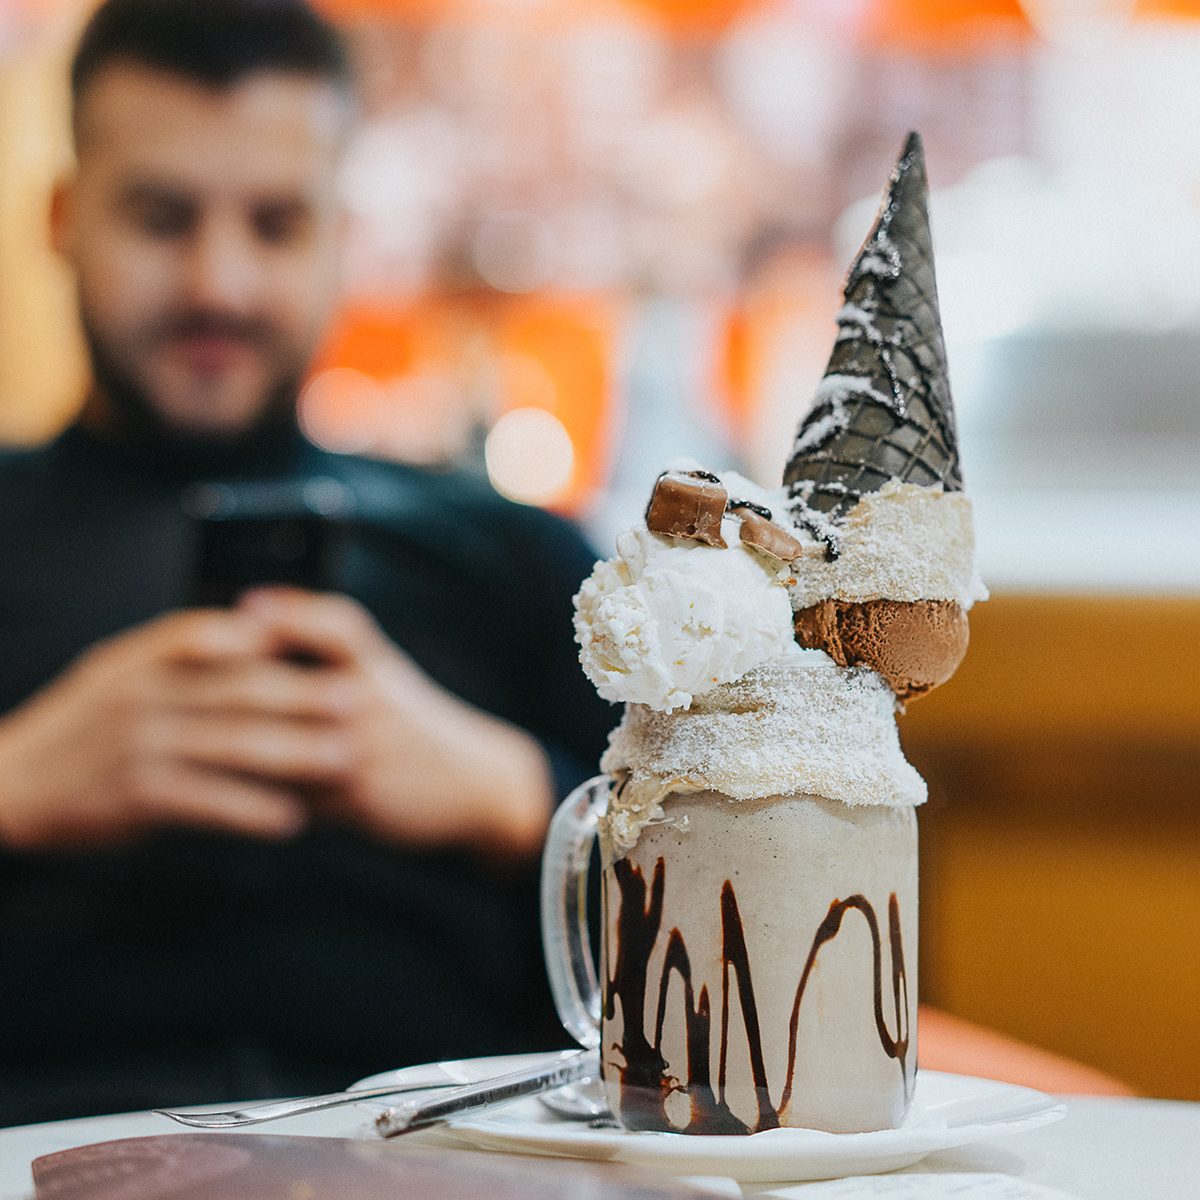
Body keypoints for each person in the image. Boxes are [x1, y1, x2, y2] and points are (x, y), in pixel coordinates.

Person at [0, 0, 615, 1126]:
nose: (218, 285)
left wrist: (507, 793)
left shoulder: (520, 560)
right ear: (62, 219)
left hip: (459, 1160)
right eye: (160, 217)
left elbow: (738, 937)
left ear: (340, 235)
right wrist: (21, 783)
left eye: (276, 224)